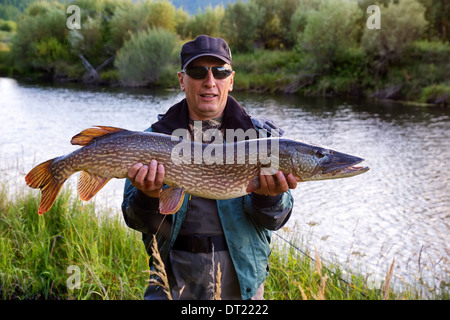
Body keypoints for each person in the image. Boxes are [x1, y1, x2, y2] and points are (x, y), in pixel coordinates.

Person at [122, 35, 298, 300]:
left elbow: (276, 220)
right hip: (173, 282)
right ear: (182, 80)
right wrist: (147, 196)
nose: (210, 81)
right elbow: (135, 220)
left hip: (240, 287)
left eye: (220, 71)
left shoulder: (261, 139)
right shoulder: (152, 139)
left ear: (231, 79)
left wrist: (270, 196)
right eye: (197, 71)